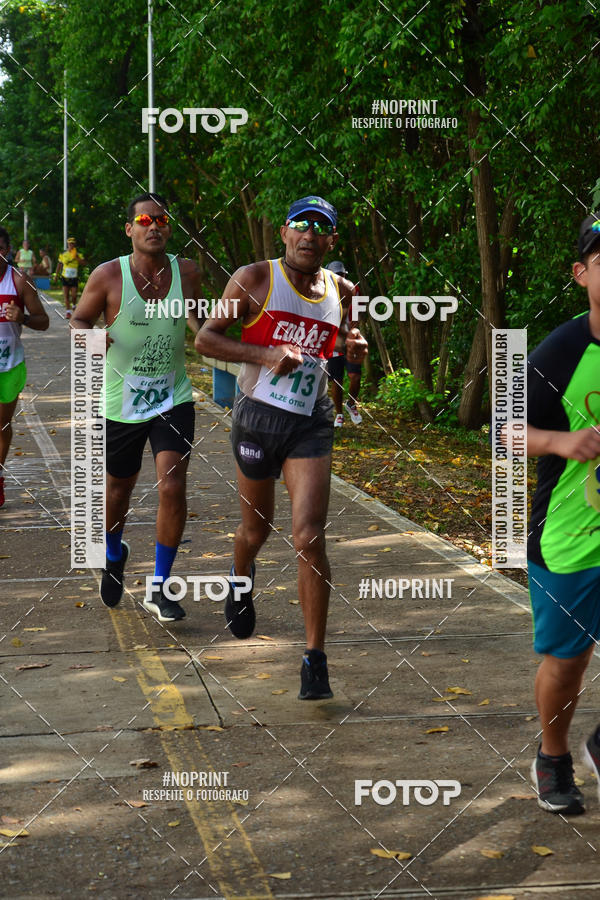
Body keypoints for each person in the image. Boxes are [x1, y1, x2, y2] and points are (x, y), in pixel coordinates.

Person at [195, 195, 368, 699]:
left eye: (321, 228)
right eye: (301, 226)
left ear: (332, 240)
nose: (309, 235)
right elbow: (207, 338)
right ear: (286, 233)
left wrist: (352, 348)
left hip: (310, 424)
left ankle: (315, 658)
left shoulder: (344, 289)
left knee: (309, 536)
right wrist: (265, 353)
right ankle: (240, 575)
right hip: (256, 419)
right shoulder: (253, 279)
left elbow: (342, 342)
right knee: (256, 529)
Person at [70, 193, 202, 622]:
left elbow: (200, 320)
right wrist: (90, 339)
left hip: (173, 397)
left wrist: (219, 330)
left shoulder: (187, 272)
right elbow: (78, 320)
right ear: (130, 229)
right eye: (145, 220)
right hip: (121, 401)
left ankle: (160, 587)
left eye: (162, 219)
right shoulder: (108, 275)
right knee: (118, 491)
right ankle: (113, 551)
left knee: (171, 485)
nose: (154, 226)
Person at [527, 212, 600, 815]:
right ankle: (553, 757)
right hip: (569, 535)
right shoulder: (562, 348)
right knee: (569, 662)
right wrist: (560, 442)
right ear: (581, 274)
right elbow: (502, 431)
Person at [0, 227, 49, 507]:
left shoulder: (19, 281)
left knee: (1, 425)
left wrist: (23, 318)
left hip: (8, 365)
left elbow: (44, 321)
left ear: (6, 250)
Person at [325, 260, 363, 427]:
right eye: (335, 275)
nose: (339, 278)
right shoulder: (322, 292)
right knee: (337, 380)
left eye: (341, 275)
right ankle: (339, 414)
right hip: (332, 343)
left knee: (355, 376)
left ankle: (351, 404)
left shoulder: (354, 291)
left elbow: (356, 317)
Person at [56, 237, 85, 319]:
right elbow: (59, 264)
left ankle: (74, 305)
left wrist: (76, 257)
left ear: (74, 244)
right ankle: (68, 312)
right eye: (70, 243)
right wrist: (56, 275)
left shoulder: (78, 254)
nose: (71, 245)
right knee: (66, 295)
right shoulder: (63, 254)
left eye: (72, 243)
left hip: (74, 277)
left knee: (74, 295)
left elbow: (83, 263)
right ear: (67, 244)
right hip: (65, 277)